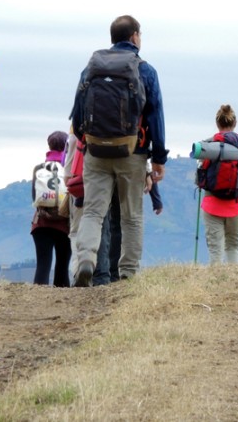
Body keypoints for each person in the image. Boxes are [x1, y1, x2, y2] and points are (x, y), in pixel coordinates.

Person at [70, 15, 167, 286]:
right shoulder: (145, 70)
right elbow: (156, 116)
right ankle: (128, 273)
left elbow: (77, 116)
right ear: (134, 36)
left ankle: (86, 260)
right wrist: (158, 158)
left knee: (93, 211)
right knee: (131, 216)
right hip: (132, 152)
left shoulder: (91, 68)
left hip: (96, 152)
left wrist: (89, 141)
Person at [199, 104, 238, 265]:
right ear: (235, 123)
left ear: (217, 123)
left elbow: (202, 172)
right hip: (236, 204)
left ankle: (216, 281)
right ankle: (235, 280)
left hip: (212, 204)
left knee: (215, 250)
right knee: (233, 248)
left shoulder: (208, 146)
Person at [31, 131, 71, 287]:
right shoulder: (68, 168)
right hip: (65, 225)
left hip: (41, 224)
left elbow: (35, 198)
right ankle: (63, 300)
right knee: (62, 267)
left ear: (49, 145)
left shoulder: (39, 168)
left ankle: (38, 299)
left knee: (43, 265)